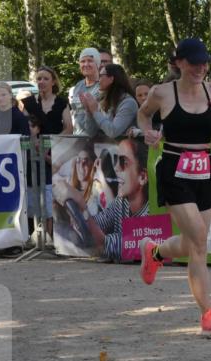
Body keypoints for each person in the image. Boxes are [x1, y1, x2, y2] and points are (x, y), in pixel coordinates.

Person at [136, 37, 211, 336]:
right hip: (173, 169)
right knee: (200, 240)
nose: (200, 68)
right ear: (178, 63)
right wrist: (148, 132)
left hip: (205, 170)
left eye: (204, 62)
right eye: (194, 63)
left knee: (192, 242)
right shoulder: (162, 93)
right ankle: (208, 315)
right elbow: (143, 115)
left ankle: (154, 251)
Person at [20, 66, 72, 238]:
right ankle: (32, 235)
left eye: (45, 78)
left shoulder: (62, 102)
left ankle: (53, 237)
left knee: (51, 196)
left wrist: (51, 144)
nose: (41, 82)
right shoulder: (28, 103)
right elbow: (25, 128)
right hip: (32, 156)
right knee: (32, 194)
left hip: (54, 156)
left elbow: (69, 128)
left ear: (53, 81)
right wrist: (34, 142)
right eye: (39, 79)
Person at [82, 63, 138, 139]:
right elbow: (90, 133)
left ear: (111, 79)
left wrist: (95, 111)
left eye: (101, 76)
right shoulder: (102, 100)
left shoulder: (128, 102)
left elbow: (113, 131)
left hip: (128, 149)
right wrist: (89, 111)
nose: (98, 80)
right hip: (107, 148)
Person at [69, 47, 101, 136]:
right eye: (82, 61)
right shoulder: (78, 86)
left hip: (97, 139)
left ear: (97, 64)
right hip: (77, 138)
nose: (86, 64)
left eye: (90, 61)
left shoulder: (102, 86)